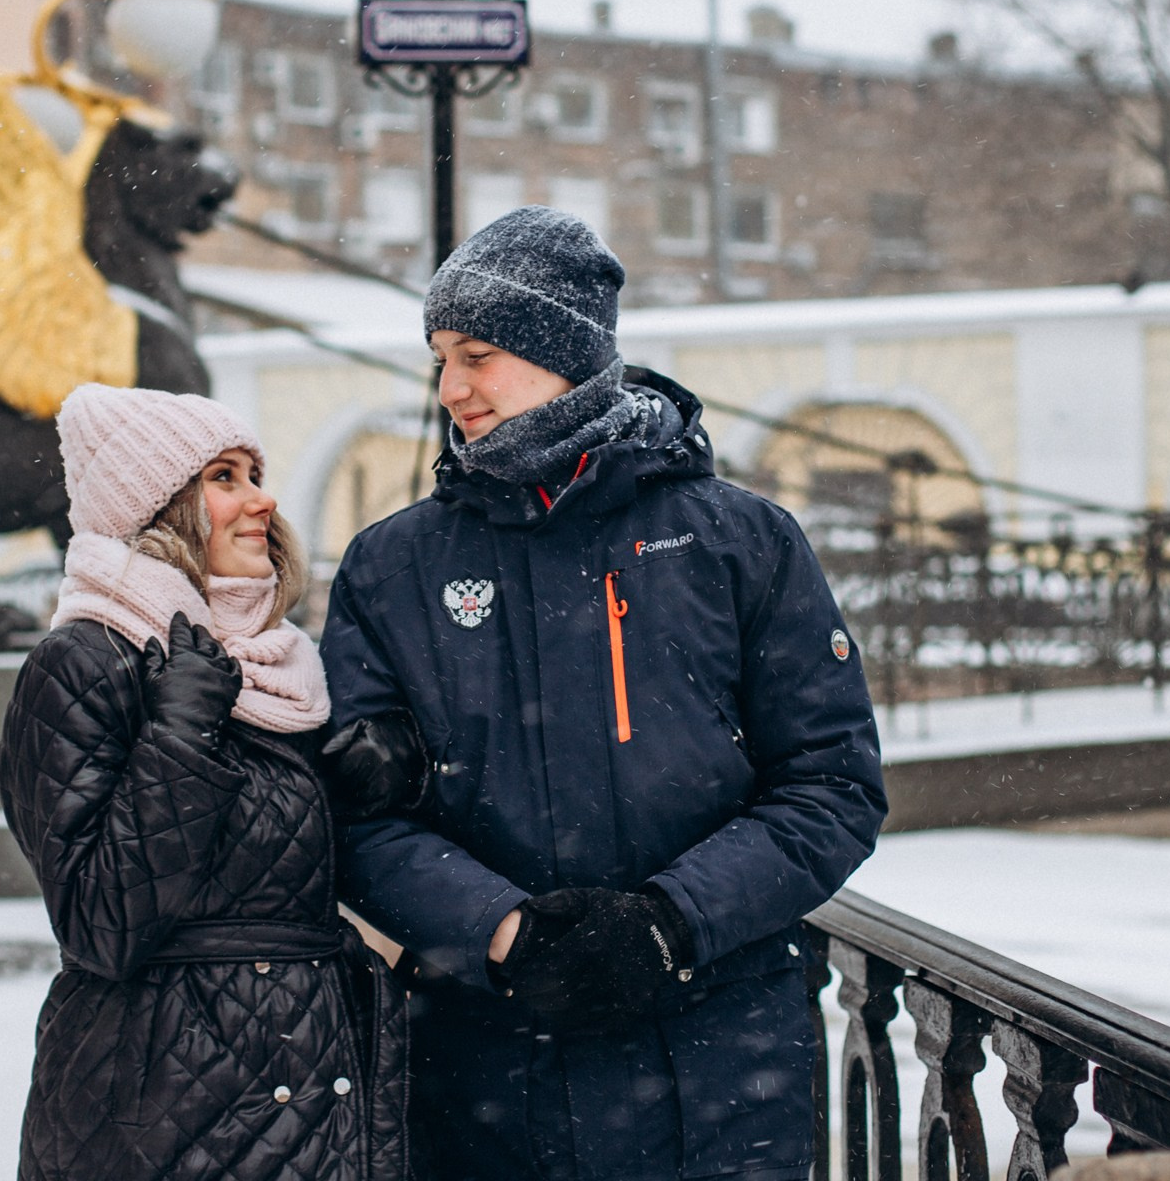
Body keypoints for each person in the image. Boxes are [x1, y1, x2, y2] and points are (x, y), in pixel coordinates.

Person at [320, 207, 888, 1181]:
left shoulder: (740, 542)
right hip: (486, 1080)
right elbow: (357, 820)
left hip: (722, 1071)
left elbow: (833, 785)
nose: (450, 387)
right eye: (441, 359)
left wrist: (670, 921)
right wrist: (506, 932)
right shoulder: (391, 568)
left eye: (478, 354)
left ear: (562, 351)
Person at [0, 385, 423, 1181]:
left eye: (254, 473)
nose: (261, 499)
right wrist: (180, 736)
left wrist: (356, 784)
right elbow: (101, 924)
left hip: (306, 1081)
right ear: (155, 512)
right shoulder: (84, 663)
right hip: (159, 1104)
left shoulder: (281, 667)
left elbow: (260, 867)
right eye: (223, 478)